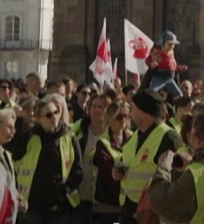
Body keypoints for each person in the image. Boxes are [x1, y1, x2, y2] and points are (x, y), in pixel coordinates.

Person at [112, 90, 182, 224]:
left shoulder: (169, 138)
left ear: (143, 112)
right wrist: (118, 172)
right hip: (129, 210)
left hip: (152, 214)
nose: (130, 113)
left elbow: (176, 180)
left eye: (132, 108)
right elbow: (131, 165)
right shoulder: (135, 135)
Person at [11, 96, 83, 224]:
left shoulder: (69, 137)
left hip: (60, 206)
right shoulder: (30, 136)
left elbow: (78, 171)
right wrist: (20, 119)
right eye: (49, 115)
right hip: (32, 205)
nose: (54, 117)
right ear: (38, 118)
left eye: (56, 112)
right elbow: (15, 151)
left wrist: (63, 191)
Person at [91, 102, 131, 224]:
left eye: (126, 116)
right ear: (111, 118)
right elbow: (109, 174)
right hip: (107, 204)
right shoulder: (102, 142)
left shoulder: (133, 138)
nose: (123, 120)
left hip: (127, 202)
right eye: (119, 117)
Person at [76, 92, 111, 223]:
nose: (96, 110)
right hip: (78, 195)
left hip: (103, 200)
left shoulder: (113, 134)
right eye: (93, 106)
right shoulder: (78, 129)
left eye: (101, 107)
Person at [143, 32, 187, 98]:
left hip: (169, 78)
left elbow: (173, 66)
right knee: (152, 92)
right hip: (159, 77)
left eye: (173, 45)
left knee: (179, 94)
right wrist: (152, 64)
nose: (172, 46)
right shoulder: (157, 51)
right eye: (169, 44)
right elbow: (148, 60)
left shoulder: (171, 53)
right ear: (163, 43)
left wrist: (180, 68)